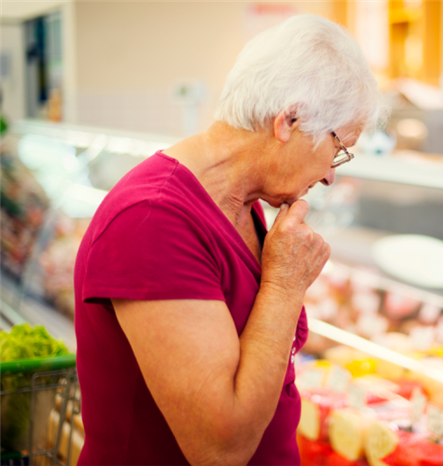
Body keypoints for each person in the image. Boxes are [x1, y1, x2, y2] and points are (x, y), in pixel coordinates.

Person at [73, 14, 387, 466]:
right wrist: (284, 285)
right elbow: (220, 447)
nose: (330, 175)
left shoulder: (247, 202)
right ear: (290, 120)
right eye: (338, 148)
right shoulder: (153, 219)